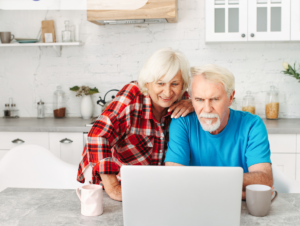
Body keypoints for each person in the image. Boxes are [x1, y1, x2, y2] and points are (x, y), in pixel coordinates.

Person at [77, 48, 194, 201]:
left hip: (149, 187)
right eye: (160, 83)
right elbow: (97, 135)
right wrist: (113, 188)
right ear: (148, 82)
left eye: (175, 84)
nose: (167, 92)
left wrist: (194, 103)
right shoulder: (132, 96)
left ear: (183, 84)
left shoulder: (183, 99)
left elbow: (209, 100)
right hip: (115, 180)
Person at [165, 64, 273, 200]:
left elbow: (264, 179)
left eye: (215, 99)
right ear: (191, 99)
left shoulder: (252, 125)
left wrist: (201, 184)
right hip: (194, 206)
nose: (207, 109)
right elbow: (174, 180)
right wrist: (239, 193)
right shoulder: (182, 122)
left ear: (230, 98)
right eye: (199, 100)